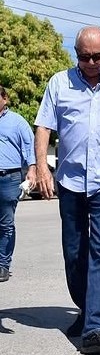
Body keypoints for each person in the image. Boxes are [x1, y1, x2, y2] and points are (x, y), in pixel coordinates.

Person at [34, 26, 100, 355]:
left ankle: (96, 325)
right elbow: (44, 126)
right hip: (71, 182)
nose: (91, 62)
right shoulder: (59, 83)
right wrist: (40, 167)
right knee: (75, 253)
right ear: (75, 53)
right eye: (84, 56)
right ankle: (86, 307)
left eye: (98, 56)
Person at [0, 86, 37, 282]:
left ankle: (3, 265)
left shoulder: (17, 122)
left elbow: (29, 147)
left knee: (5, 223)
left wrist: (32, 170)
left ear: (4, 98)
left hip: (9, 177)